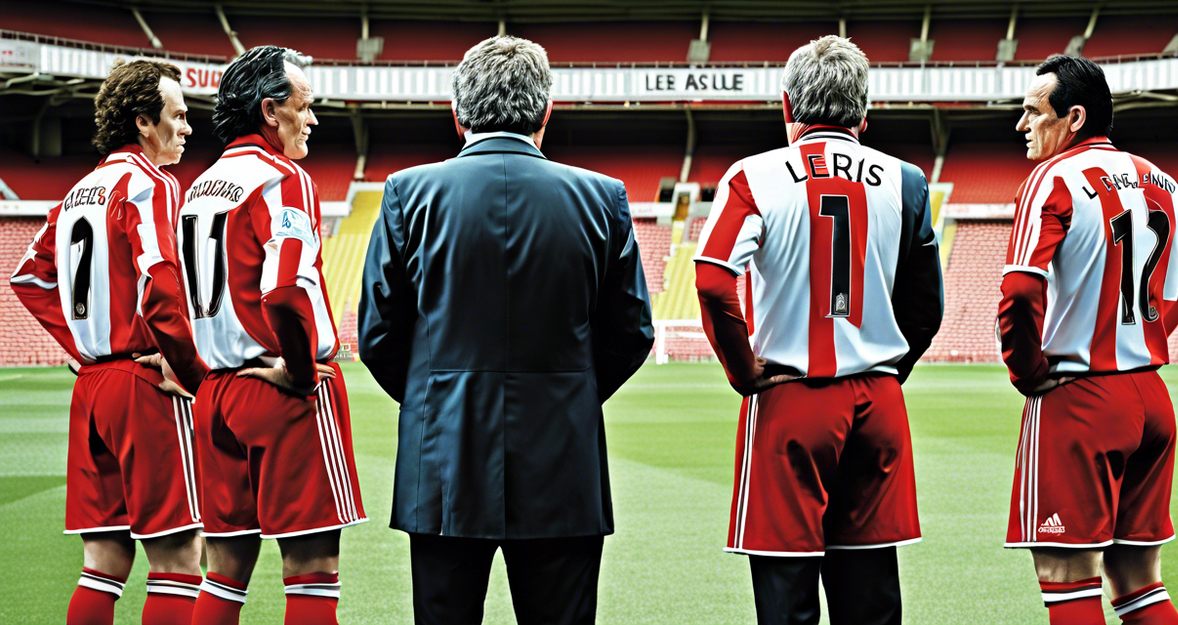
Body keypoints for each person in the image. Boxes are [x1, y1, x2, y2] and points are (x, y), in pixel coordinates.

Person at [359, 35, 654, 625]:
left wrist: (434, 393)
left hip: (442, 457)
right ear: (546, 112)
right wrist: (567, 390)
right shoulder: (604, 198)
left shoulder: (406, 193)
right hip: (563, 462)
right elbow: (632, 332)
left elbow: (378, 335)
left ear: (457, 113)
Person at [694, 35, 943, 625]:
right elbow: (926, 305)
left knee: (786, 590)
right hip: (878, 402)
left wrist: (743, 370)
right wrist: (888, 371)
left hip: (790, 400)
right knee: (872, 596)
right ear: (864, 114)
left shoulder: (754, 175)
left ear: (787, 107)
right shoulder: (906, 180)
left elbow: (710, 279)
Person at [995, 55, 1178, 625]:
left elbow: (1019, 290)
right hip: (1150, 399)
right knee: (1140, 584)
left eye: (1031, 111)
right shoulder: (1166, 183)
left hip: (1079, 400)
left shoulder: (1052, 178)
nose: (1021, 125)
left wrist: (1028, 370)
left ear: (1073, 118)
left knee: (1069, 583)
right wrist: (1146, 327)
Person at [9, 59, 209, 625]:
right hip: (145, 386)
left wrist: (83, 347)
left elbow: (28, 274)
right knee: (178, 560)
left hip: (95, 387)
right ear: (144, 122)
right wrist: (191, 376)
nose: (189, 128)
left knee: (104, 559)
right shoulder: (150, 183)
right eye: (179, 115)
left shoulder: (80, 191)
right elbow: (161, 283)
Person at [177, 46, 362, 625]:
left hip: (217, 395)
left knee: (225, 573)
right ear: (269, 111)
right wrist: (303, 375)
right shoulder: (284, 178)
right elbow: (283, 290)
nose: (311, 121)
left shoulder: (197, 189)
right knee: (312, 573)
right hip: (281, 394)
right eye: (304, 108)